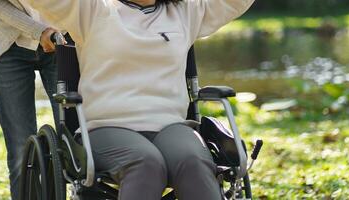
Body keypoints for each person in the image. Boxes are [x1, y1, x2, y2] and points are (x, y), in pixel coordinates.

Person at [27, 0, 254, 199]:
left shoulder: (185, 12)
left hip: (170, 125)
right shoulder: (92, 9)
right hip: (107, 126)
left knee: (193, 160)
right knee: (145, 163)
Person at [0, 0, 60, 199]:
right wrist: (39, 31)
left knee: (76, 141)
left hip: (62, 38)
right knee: (21, 152)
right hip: (9, 44)